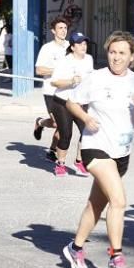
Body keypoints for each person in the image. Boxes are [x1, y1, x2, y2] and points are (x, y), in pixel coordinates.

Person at [61, 31, 134, 268]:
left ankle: (75, 248)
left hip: (121, 153)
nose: (116, 58)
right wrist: (85, 117)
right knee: (119, 201)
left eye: (122, 53)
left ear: (132, 57)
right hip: (95, 147)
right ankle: (116, 256)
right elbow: (71, 102)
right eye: (112, 52)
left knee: (97, 204)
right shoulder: (96, 78)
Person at [48, 32, 94, 177]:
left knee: (87, 133)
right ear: (72, 47)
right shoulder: (64, 61)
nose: (83, 46)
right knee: (66, 134)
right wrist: (71, 81)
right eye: (80, 43)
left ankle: (79, 161)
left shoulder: (89, 59)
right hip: (62, 102)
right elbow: (54, 82)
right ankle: (60, 164)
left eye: (85, 43)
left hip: (81, 103)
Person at [33, 16, 71, 162]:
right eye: (60, 28)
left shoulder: (71, 47)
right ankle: (40, 122)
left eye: (65, 28)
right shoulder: (47, 48)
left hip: (68, 91)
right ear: (53, 31)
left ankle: (52, 150)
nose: (63, 31)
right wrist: (58, 71)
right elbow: (39, 70)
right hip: (51, 91)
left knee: (63, 125)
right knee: (56, 123)